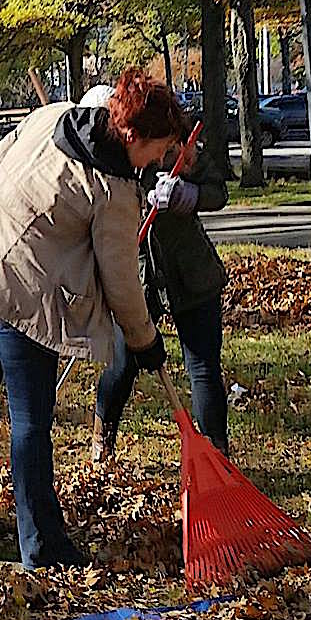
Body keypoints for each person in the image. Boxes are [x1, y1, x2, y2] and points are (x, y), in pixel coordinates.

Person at [0, 70, 189, 570]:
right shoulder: (113, 191)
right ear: (132, 136)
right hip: (17, 298)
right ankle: (42, 543)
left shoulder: (53, 116)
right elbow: (121, 282)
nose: (160, 161)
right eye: (159, 149)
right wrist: (145, 342)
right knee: (31, 421)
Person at [76, 84, 231, 462]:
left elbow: (218, 191)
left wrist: (186, 195)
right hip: (134, 277)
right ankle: (102, 440)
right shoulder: (102, 163)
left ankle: (216, 458)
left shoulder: (175, 144)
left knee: (204, 368)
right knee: (122, 365)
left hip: (191, 272)